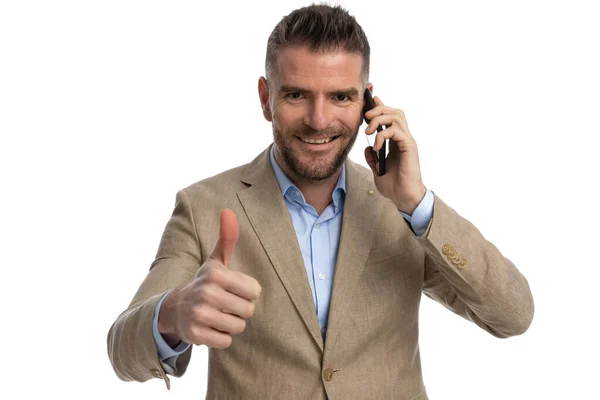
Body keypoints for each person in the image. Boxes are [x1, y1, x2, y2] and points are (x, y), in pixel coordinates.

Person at [107, 4, 534, 399]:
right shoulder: (203, 207)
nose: (319, 120)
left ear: (367, 101)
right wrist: (172, 314)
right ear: (265, 98)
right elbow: (121, 350)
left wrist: (417, 204)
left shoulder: (402, 212)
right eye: (296, 95)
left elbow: (512, 314)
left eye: (341, 97)